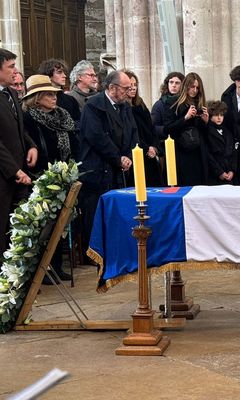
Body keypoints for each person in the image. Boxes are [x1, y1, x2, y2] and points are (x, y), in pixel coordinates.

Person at [22, 74, 78, 281]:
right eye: (48, 94)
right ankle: (42, 270)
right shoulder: (28, 118)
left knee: (60, 225)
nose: (54, 98)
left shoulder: (63, 116)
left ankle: (56, 266)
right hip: (42, 177)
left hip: (64, 175)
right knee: (44, 226)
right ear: (36, 98)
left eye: (54, 94)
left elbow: (73, 141)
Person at [78, 70, 138, 257]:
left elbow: (132, 133)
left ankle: (115, 249)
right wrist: (117, 158)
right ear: (112, 88)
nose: (129, 92)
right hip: (98, 168)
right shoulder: (94, 106)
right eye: (126, 88)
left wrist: (128, 155)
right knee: (95, 212)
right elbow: (96, 137)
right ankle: (95, 253)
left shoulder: (125, 106)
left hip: (118, 168)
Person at [0, 48, 37, 256]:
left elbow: (19, 128)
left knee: (18, 229)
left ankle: (18, 276)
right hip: (5, 175)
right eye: (11, 67)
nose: (15, 72)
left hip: (20, 174)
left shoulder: (12, 93)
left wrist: (31, 145)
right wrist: (14, 170)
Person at [163, 72, 209, 186]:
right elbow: (167, 129)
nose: (194, 90)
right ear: (186, 86)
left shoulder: (200, 104)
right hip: (180, 151)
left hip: (198, 152)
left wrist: (206, 121)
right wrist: (185, 118)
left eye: (197, 88)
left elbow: (204, 133)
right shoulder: (173, 102)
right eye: (192, 87)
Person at [123, 69, 162, 187]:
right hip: (137, 153)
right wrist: (146, 148)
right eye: (130, 85)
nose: (133, 88)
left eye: (135, 85)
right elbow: (132, 132)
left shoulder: (140, 104)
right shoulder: (123, 108)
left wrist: (154, 147)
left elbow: (151, 127)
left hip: (150, 153)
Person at [205, 100, 235, 185]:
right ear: (210, 116)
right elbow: (208, 155)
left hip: (229, 173)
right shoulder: (207, 131)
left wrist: (232, 170)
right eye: (216, 115)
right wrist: (219, 172)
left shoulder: (227, 132)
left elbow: (233, 153)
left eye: (221, 115)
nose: (219, 118)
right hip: (214, 175)